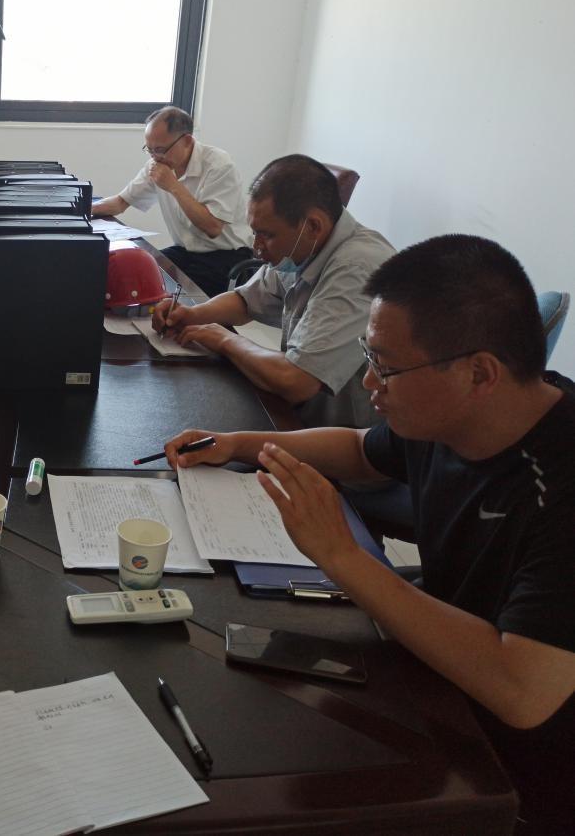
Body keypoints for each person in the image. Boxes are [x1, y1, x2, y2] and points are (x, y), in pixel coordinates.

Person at [164, 235, 575, 832]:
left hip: (518, 778)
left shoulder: (560, 485)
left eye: (385, 366)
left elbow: (523, 693)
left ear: (479, 373)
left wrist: (342, 554)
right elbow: (361, 450)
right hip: (443, 672)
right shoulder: (451, 415)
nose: (369, 384)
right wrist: (240, 444)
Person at [153, 154, 394, 427]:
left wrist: (223, 339)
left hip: (350, 438)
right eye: (255, 232)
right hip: (306, 419)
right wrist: (192, 314)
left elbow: (297, 381)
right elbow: (246, 301)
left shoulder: (356, 269)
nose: (256, 248)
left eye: (266, 235)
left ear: (313, 226)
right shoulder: (302, 247)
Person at [92, 106, 252, 296]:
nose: (155, 157)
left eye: (160, 150)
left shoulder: (219, 166)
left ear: (187, 141)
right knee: (134, 269)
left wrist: (174, 186)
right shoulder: (157, 164)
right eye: (149, 150)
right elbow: (120, 203)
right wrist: (83, 209)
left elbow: (213, 227)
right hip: (186, 251)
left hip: (226, 256)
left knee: (164, 293)